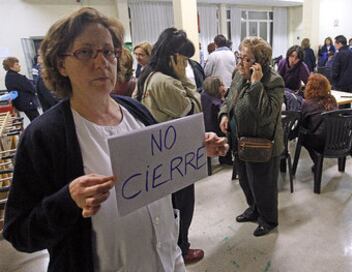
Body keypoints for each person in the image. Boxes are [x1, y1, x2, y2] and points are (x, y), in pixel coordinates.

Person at [3, 8, 227, 272]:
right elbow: (19, 232)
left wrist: (196, 148)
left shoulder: (136, 112)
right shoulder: (45, 135)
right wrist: (68, 200)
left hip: (168, 261)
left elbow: (160, 168)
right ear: (61, 64)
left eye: (108, 51)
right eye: (85, 52)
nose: (102, 62)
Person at [138, 27, 205, 264]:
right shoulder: (166, 82)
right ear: (174, 57)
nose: (186, 65)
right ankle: (181, 247)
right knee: (182, 204)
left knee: (171, 205)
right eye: (184, 60)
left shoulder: (148, 74)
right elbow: (195, 110)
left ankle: (174, 244)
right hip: (175, 153)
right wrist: (185, 78)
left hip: (160, 151)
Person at [219, 36, 284, 237]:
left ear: (259, 63)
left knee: (263, 185)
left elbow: (266, 116)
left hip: (261, 144)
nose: (240, 62)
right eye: (240, 56)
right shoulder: (238, 75)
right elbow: (230, 98)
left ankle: (268, 219)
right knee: (246, 181)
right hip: (239, 140)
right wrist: (223, 114)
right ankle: (254, 209)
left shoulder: (274, 82)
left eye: (246, 59)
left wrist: (256, 85)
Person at [301, 73, 338, 169]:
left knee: (302, 136)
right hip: (338, 140)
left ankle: (317, 162)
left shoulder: (307, 103)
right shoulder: (332, 99)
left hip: (321, 143)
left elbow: (303, 124)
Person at [201, 76, 233, 165]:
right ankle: (227, 159)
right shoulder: (216, 103)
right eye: (222, 85)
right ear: (216, 87)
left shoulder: (203, 97)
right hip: (216, 131)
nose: (224, 87)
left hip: (205, 129)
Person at [3, 57, 40, 121]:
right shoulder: (14, 77)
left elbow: (28, 82)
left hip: (25, 104)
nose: (19, 65)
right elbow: (31, 88)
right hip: (27, 104)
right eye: (17, 64)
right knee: (37, 121)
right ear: (11, 67)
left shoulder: (11, 76)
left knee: (36, 120)